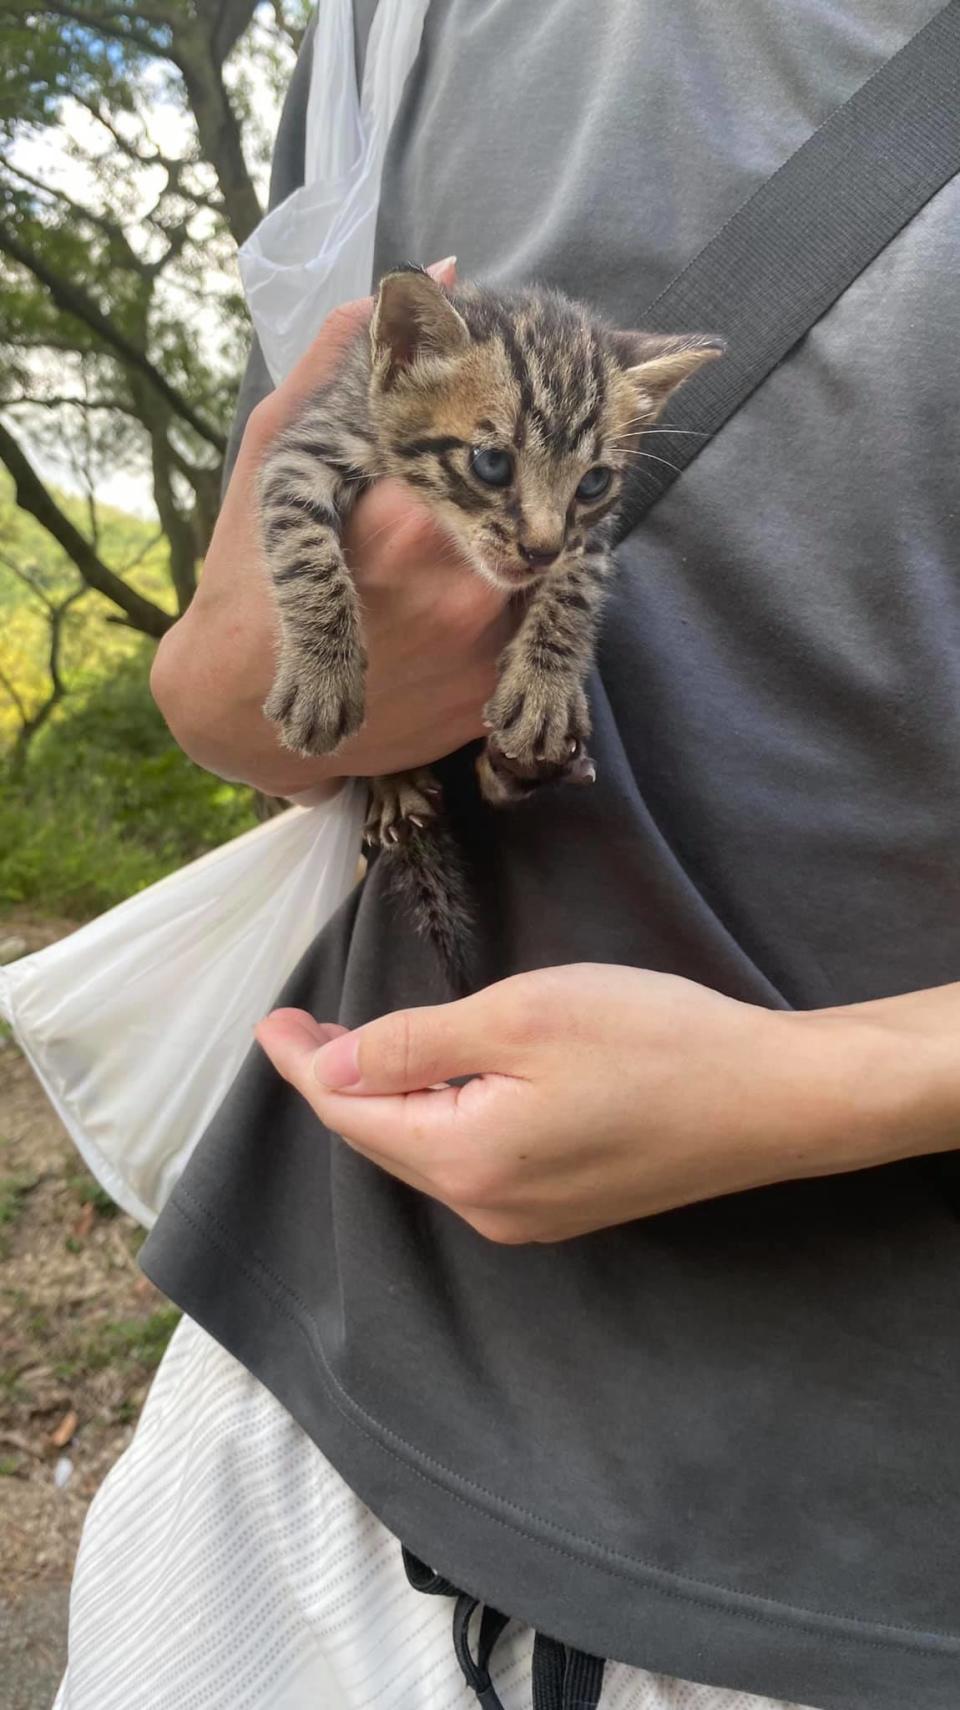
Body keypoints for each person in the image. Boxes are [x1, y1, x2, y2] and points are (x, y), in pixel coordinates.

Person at [56, 3, 960, 1707]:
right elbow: (254, 647)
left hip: (848, 1537)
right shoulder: (399, 20)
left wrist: (821, 1085)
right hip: (311, 1409)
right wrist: (237, 694)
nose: (544, 535)